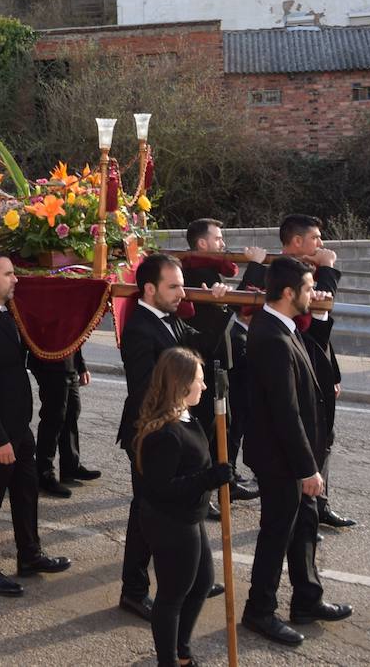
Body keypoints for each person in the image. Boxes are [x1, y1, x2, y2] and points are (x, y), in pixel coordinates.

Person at [241, 256, 352, 647]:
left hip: (296, 455)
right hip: (281, 459)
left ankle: (307, 599)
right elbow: (284, 411)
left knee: (304, 528)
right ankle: (259, 610)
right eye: (308, 288)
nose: (314, 294)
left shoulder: (285, 327)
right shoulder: (271, 336)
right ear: (289, 293)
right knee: (277, 534)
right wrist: (307, 468)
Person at [117, 253, 228, 621]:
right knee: (145, 514)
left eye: (182, 284)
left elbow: (204, 347)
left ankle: (192, 577)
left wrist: (220, 304)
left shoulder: (172, 321)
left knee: (176, 508)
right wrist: (171, 430)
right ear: (149, 289)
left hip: (174, 430)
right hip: (150, 436)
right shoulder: (139, 329)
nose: (183, 292)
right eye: (174, 286)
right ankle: (134, 592)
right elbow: (145, 390)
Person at [0, 251, 72, 597]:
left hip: (18, 427)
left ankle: (30, 555)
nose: (16, 279)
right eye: (9, 274)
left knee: (26, 492)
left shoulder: (4, 314)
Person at [241, 214, 354, 530]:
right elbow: (314, 317)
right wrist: (329, 271)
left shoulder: (306, 271)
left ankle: (319, 505)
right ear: (296, 242)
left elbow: (322, 336)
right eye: (316, 238)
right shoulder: (282, 277)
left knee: (325, 437)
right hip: (296, 369)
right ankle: (303, 510)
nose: (321, 245)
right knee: (301, 437)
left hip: (318, 367)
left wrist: (334, 374)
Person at [135, 347, 233, 667]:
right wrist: (208, 479)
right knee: (172, 596)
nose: (203, 387)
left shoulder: (186, 416)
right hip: (171, 523)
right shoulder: (164, 434)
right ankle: (170, 661)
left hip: (190, 517)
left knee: (202, 582)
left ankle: (181, 648)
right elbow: (162, 489)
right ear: (180, 384)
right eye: (199, 381)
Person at [181, 218, 265, 505]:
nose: (223, 244)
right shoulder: (198, 272)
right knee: (209, 429)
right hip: (204, 363)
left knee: (224, 426)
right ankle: (203, 493)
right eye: (218, 238)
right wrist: (255, 266)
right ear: (202, 243)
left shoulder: (206, 269)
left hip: (218, 362)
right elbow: (232, 306)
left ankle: (223, 482)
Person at [29, 348, 99, 498]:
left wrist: (81, 365)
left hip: (70, 363)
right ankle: (44, 473)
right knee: (54, 417)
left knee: (72, 412)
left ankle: (70, 466)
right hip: (49, 362)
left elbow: (74, 333)